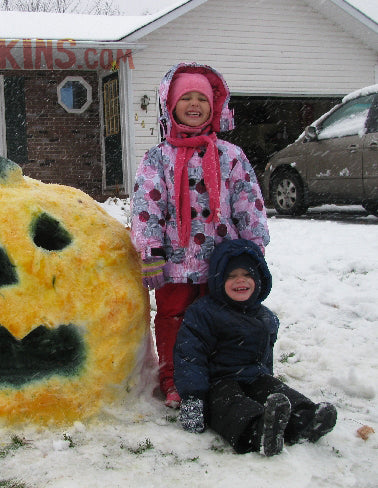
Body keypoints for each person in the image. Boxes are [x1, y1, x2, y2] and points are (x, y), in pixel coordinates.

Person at [130, 62, 270, 408]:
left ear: (214, 107)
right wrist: (150, 252)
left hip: (223, 262)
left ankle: (223, 375)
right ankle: (175, 378)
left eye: (202, 99)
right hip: (174, 265)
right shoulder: (157, 159)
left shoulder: (230, 156)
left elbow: (248, 204)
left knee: (223, 319)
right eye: (186, 98)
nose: (195, 105)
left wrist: (253, 250)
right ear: (171, 106)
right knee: (173, 320)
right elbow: (147, 206)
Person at [174, 238, 337, 456]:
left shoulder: (265, 316)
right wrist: (193, 398)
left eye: (247, 274)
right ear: (217, 280)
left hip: (254, 377)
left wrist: (267, 377)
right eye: (231, 276)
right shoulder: (203, 313)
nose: (240, 281)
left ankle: (304, 420)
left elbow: (265, 355)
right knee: (232, 404)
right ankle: (258, 431)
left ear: (259, 279)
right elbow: (189, 356)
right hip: (218, 381)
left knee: (275, 389)